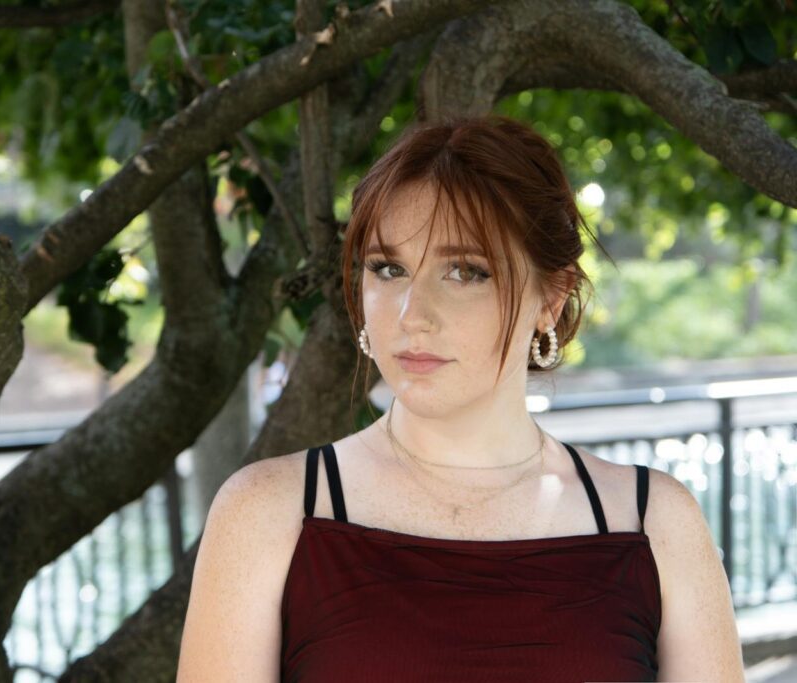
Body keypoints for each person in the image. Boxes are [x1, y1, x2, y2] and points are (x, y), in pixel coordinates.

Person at [176, 115, 745, 682]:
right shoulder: (268, 515)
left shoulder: (653, 523)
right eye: (388, 268)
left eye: (466, 271)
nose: (411, 315)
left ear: (551, 298)